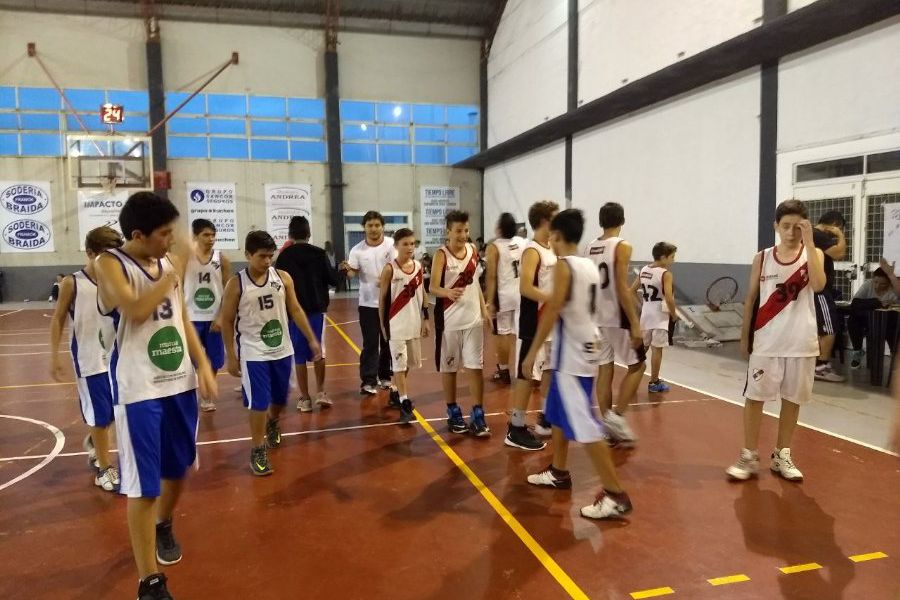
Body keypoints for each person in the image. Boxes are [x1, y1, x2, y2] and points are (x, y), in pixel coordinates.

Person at [95, 191, 218, 600]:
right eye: (164, 233)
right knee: (144, 484)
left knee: (178, 467)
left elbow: (180, 316)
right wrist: (170, 273)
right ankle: (149, 581)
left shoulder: (166, 261)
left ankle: (164, 523)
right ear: (138, 234)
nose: (172, 240)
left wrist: (201, 364)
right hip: (139, 388)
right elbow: (133, 309)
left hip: (178, 381)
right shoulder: (109, 263)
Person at [524, 209, 633, 520]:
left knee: (586, 427)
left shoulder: (564, 267)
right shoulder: (588, 264)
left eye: (551, 238)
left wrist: (532, 352)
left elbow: (553, 310)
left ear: (556, 236)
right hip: (585, 346)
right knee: (557, 415)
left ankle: (615, 494)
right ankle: (559, 470)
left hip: (573, 355)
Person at [726, 199, 826, 482]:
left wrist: (809, 241)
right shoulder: (763, 256)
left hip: (801, 342)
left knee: (792, 400)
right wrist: (744, 337)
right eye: (786, 226)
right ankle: (748, 455)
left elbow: (819, 285)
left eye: (797, 227)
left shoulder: (813, 253)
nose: (791, 232)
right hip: (767, 341)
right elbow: (749, 300)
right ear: (776, 227)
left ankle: (782, 455)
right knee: (754, 399)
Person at [220, 230, 321, 476]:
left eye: (270, 256)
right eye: (262, 256)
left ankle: (273, 422)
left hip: (282, 348)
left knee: (280, 398)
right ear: (247, 255)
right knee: (259, 402)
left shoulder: (283, 277)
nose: (267, 261)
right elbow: (226, 320)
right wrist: (231, 357)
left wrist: (312, 340)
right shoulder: (236, 284)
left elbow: (296, 309)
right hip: (254, 352)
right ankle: (257, 448)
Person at [49, 226, 123, 492]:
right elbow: (57, 319)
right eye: (104, 254)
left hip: (117, 357)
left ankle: (95, 442)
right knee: (101, 415)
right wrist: (54, 356)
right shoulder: (73, 282)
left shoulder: (118, 281)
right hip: (89, 359)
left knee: (116, 412)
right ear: (90, 253)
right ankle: (103, 468)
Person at [584, 202, 644, 447]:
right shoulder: (622, 245)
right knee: (638, 365)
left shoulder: (588, 247)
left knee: (605, 370)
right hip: (616, 316)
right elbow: (621, 285)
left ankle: (607, 427)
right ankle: (617, 416)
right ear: (622, 220)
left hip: (596, 316)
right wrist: (635, 323)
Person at [430, 210, 491, 436]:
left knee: (475, 367)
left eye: (466, 230)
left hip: (473, 319)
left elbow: (475, 284)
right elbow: (432, 287)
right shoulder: (441, 255)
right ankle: (452, 410)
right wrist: (447, 291)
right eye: (458, 231)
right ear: (448, 231)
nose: (463, 235)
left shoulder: (473, 251)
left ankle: (478, 413)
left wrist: (484, 311)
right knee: (450, 368)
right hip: (449, 321)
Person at [504, 201, 558, 451]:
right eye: (555, 217)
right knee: (527, 375)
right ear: (545, 221)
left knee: (549, 369)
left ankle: (545, 418)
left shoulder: (551, 248)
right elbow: (525, 287)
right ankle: (514, 429)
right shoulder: (532, 251)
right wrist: (551, 299)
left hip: (550, 321)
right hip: (532, 320)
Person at [275, 216, 336, 411]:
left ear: (290, 235)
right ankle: (321, 392)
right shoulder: (319, 254)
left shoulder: (284, 257)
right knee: (319, 350)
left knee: (299, 356)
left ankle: (304, 398)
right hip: (316, 310)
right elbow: (333, 280)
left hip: (293, 313)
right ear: (309, 234)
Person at [340, 211, 396, 395]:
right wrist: (346, 269)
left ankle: (386, 376)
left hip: (390, 301)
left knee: (388, 341)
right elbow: (352, 273)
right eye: (370, 225)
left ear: (382, 227)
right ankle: (368, 380)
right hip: (367, 303)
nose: (373, 229)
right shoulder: (357, 250)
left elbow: (399, 267)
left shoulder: (391, 245)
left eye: (377, 225)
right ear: (364, 227)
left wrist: (388, 280)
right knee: (370, 343)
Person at [378, 228, 430, 424]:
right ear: (396, 246)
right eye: (405, 244)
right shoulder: (390, 269)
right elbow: (382, 300)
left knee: (408, 364)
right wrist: (384, 326)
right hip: (396, 325)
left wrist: (426, 318)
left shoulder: (417, 266)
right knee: (399, 365)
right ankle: (404, 402)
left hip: (414, 323)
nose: (410, 247)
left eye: (412, 243)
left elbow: (423, 293)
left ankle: (394, 391)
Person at [180, 219, 231, 412]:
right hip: (191, 316)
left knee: (215, 358)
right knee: (191, 359)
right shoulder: (185, 258)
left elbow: (228, 290)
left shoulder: (221, 259)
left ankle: (207, 393)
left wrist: (221, 316)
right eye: (206, 235)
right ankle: (195, 391)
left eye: (213, 235)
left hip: (213, 317)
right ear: (195, 236)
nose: (211, 239)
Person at [630, 242, 678, 393]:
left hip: (646, 314)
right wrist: (674, 314)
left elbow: (631, 290)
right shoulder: (665, 274)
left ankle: (631, 376)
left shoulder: (644, 269)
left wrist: (641, 306)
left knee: (642, 348)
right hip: (660, 317)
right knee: (657, 350)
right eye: (672, 257)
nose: (673, 260)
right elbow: (669, 298)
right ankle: (654, 382)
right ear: (663, 257)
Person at [485, 213, 524, 385]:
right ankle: (528, 370)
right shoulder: (522, 242)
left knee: (503, 333)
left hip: (503, 295)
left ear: (499, 228)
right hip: (521, 293)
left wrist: (490, 301)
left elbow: (492, 276)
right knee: (522, 334)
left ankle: (504, 370)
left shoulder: (494, 247)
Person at [812, 211, 847, 382]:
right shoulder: (817, 234)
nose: (837, 233)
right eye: (838, 228)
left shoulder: (814, 236)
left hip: (818, 288)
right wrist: (840, 235)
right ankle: (821, 367)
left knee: (821, 328)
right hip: (819, 289)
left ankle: (818, 364)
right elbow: (840, 253)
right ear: (832, 225)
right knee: (829, 327)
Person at [847, 260, 900, 369]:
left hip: (889, 322)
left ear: (889, 283)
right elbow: (855, 303)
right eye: (875, 282)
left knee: (894, 328)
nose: (877, 286)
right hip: (869, 321)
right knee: (853, 319)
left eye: (882, 284)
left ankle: (894, 356)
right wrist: (878, 302)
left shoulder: (894, 289)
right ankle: (857, 352)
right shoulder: (868, 284)